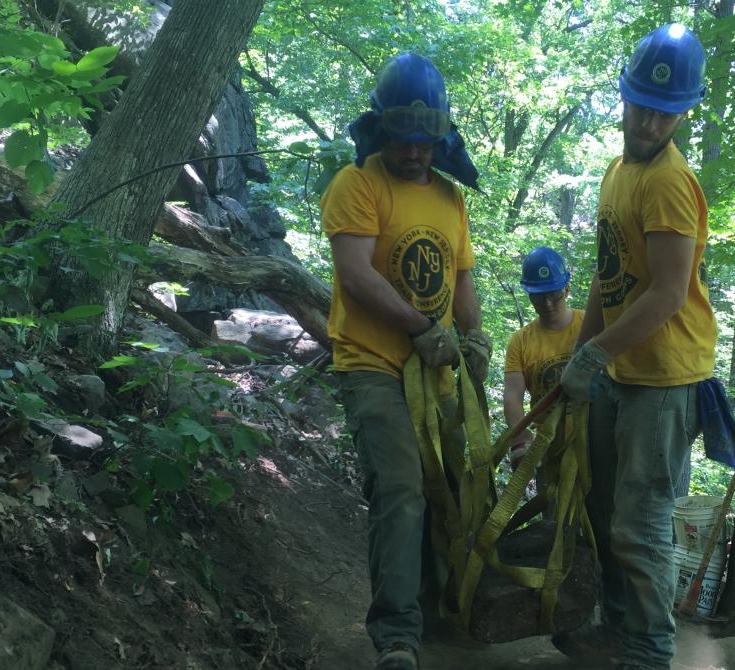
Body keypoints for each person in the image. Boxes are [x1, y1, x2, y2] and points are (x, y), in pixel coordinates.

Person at [555, 23, 735, 670]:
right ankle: (615, 626)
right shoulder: (617, 174)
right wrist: (577, 358)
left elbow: (664, 296)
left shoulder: (667, 182)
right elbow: (611, 279)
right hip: (620, 368)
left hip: (664, 377)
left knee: (641, 521)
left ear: (681, 114)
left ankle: (650, 650)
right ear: (625, 97)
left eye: (665, 114)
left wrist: (594, 356)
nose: (649, 122)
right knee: (604, 510)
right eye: (641, 106)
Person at [322, 52, 492, 670]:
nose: (414, 151)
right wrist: (420, 327)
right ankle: (396, 636)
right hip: (371, 361)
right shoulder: (358, 183)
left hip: (437, 366)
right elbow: (355, 275)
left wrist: (474, 341)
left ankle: (441, 610)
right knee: (399, 487)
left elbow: (462, 280)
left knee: (449, 486)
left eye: (426, 141)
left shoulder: (450, 197)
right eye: (403, 139)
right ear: (382, 128)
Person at [502, 247, 583, 471]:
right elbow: (512, 397)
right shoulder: (520, 341)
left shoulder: (587, 325)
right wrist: (520, 438)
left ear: (566, 290)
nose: (547, 304)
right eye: (538, 297)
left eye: (553, 296)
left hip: (593, 438)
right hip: (548, 446)